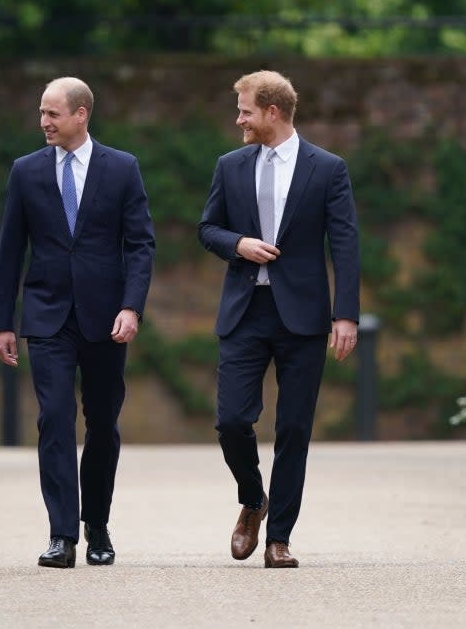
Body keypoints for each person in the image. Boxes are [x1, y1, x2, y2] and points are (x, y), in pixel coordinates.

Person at [198, 70, 360, 568]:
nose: (239, 118)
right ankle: (253, 499)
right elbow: (208, 228)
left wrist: (345, 315)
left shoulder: (328, 168)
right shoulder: (230, 166)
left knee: (293, 429)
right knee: (231, 421)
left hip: (304, 318)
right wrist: (238, 244)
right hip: (245, 311)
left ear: (272, 112)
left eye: (245, 110)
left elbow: (346, 244)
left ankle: (280, 539)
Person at [0, 77, 155, 568]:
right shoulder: (25, 172)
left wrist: (132, 306)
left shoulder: (122, 168)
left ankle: (98, 525)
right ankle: (62, 535)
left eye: (52, 113)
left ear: (81, 114)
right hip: (46, 317)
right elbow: (9, 251)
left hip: (106, 318)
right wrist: (4, 321)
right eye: (41, 113)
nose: (43, 122)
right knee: (55, 420)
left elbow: (141, 244)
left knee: (102, 424)